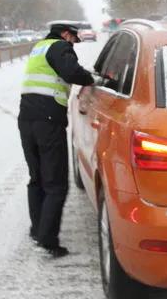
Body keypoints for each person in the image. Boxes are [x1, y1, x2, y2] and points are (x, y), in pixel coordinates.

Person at [18, 23, 103, 258]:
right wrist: (92, 79)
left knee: (37, 179)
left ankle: (37, 230)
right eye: (74, 40)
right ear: (66, 35)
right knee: (56, 184)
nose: (74, 45)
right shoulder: (59, 46)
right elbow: (72, 72)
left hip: (26, 119)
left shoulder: (40, 47)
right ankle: (48, 239)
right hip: (48, 122)